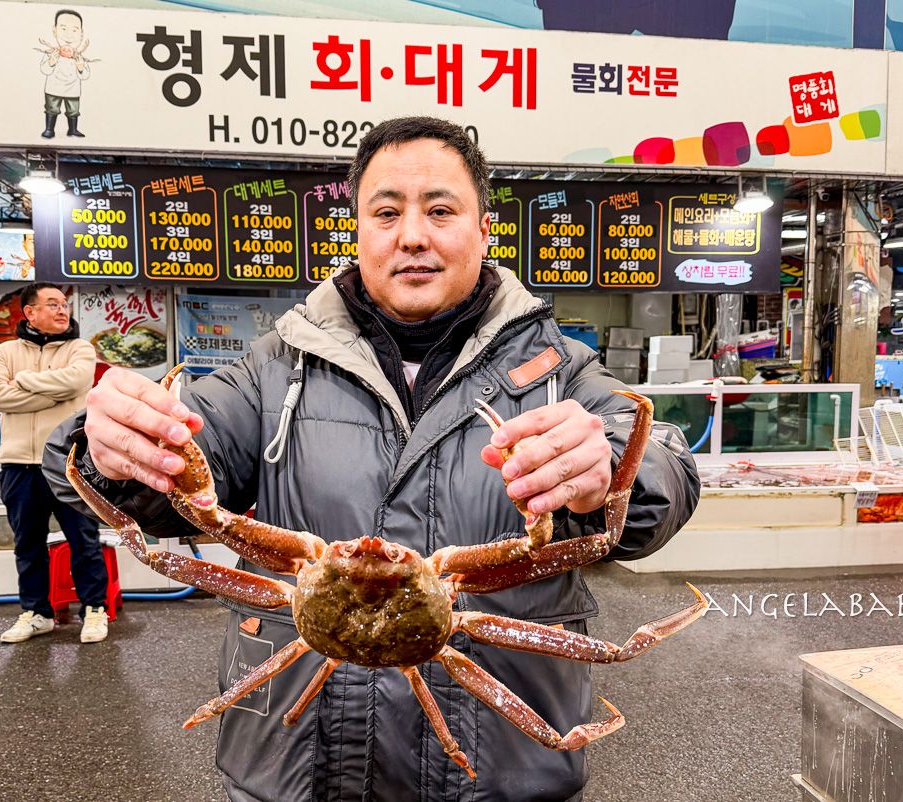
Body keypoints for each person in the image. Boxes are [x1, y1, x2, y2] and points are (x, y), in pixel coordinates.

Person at [44, 117, 700, 801]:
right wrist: (105, 450)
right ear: (358, 230)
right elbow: (176, 479)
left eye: (440, 210)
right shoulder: (273, 370)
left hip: (500, 775)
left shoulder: (560, 369)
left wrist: (617, 464)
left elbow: (660, 456)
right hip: (297, 769)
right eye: (386, 211)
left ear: (483, 230)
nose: (412, 234)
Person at [0, 283, 109, 644]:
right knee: (28, 544)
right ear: (29, 312)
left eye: (64, 304)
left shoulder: (80, 349)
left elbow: (75, 383)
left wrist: (21, 382)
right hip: (18, 465)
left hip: (68, 463)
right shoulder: (4, 351)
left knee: (84, 540)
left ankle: (94, 610)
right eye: (52, 304)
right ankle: (37, 613)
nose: (62, 310)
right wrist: (51, 393)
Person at [38, 9, 91, 139]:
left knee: (73, 110)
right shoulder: (52, 53)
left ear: (81, 34)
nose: (69, 35)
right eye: (64, 29)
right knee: (52, 108)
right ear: (55, 31)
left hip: (73, 89)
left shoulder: (79, 56)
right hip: (53, 88)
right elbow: (44, 69)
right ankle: (49, 129)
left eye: (74, 30)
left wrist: (80, 68)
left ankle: (72, 129)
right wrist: (51, 62)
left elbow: (85, 75)